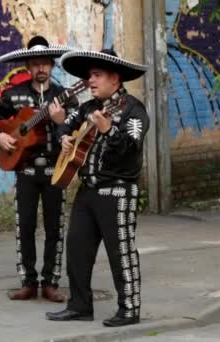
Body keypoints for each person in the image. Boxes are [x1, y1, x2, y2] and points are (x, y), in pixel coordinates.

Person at [45, 48, 148, 326]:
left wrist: (108, 130)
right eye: (89, 75)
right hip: (87, 191)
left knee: (121, 252)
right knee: (77, 249)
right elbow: (65, 124)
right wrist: (65, 137)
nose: (90, 81)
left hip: (118, 192)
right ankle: (79, 306)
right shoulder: (88, 107)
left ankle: (129, 309)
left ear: (115, 78)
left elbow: (131, 147)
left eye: (97, 75)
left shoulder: (133, 109)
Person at [0, 36, 77, 302]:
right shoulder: (13, 94)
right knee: (24, 227)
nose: (41, 69)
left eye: (45, 63)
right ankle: (28, 282)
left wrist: (60, 122)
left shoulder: (63, 96)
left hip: (55, 172)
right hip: (24, 171)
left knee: (55, 229)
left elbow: (76, 134)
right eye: (35, 64)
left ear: (52, 65)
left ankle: (51, 283)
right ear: (28, 66)